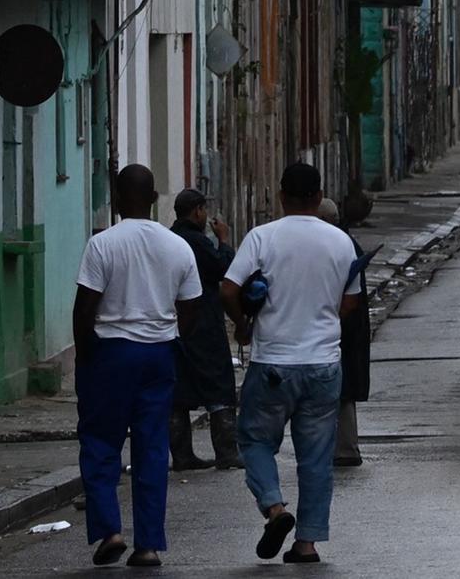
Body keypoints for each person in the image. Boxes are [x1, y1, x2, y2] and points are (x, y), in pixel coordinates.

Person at [221, 163, 362, 564]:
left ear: (281, 196)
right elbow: (350, 301)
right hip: (323, 365)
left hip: (273, 365)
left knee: (254, 440)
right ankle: (307, 543)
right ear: (319, 198)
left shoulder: (262, 238)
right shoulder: (340, 242)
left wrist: (244, 325)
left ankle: (275, 508)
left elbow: (228, 289)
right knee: (316, 458)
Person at [72, 165, 202, 567]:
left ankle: (110, 531)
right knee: (151, 448)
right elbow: (192, 305)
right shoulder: (177, 246)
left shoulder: (103, 245)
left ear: (116, 197)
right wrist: (170, 333)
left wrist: (85, 354)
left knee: (100, 443)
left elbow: (84, 308)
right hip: (159, 354)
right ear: (154, 199)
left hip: (111, 353)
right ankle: (148, 545)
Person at [169, 189, 241, 472]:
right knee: (220, 386)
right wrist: (223, 240)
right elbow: (224, 268)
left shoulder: (170, 239)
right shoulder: (197, 242)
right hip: (204, 323)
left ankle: (183, 455)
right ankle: (227, 452)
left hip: (174, 324)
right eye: (204, 210)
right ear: (197, 211)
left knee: (179, 389)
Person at [316, 198, 374, 471]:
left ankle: (343, 447)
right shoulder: (343, 243)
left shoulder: (338, 246)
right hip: (345, 327)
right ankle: (341, 446)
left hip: (341, 328)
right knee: (340, 388)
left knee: (341, 388)